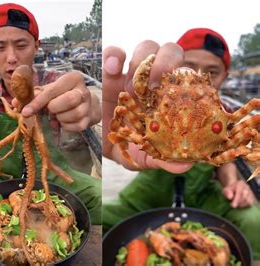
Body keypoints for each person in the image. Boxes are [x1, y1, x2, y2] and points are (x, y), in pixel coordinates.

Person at [102, 28, 260, 259]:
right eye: (189, 66)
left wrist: (234, 183)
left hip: (203, 191)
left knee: (254, 221)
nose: (196, 76)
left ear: (224, 75)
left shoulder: (228, 116)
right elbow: (123, 111)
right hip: (150, 187)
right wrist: (116, 148)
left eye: (210, 73)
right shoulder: (149, 108)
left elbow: (231, 154)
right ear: (170, 70)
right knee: (102, 214)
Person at [0, 3, 102, 224]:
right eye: (0, 47)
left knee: (104, 199)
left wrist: (91, 107)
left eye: (21, 45)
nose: (11, 57)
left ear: (36, 46)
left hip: (53, 177)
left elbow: (88, 102)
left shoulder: (54, 84)